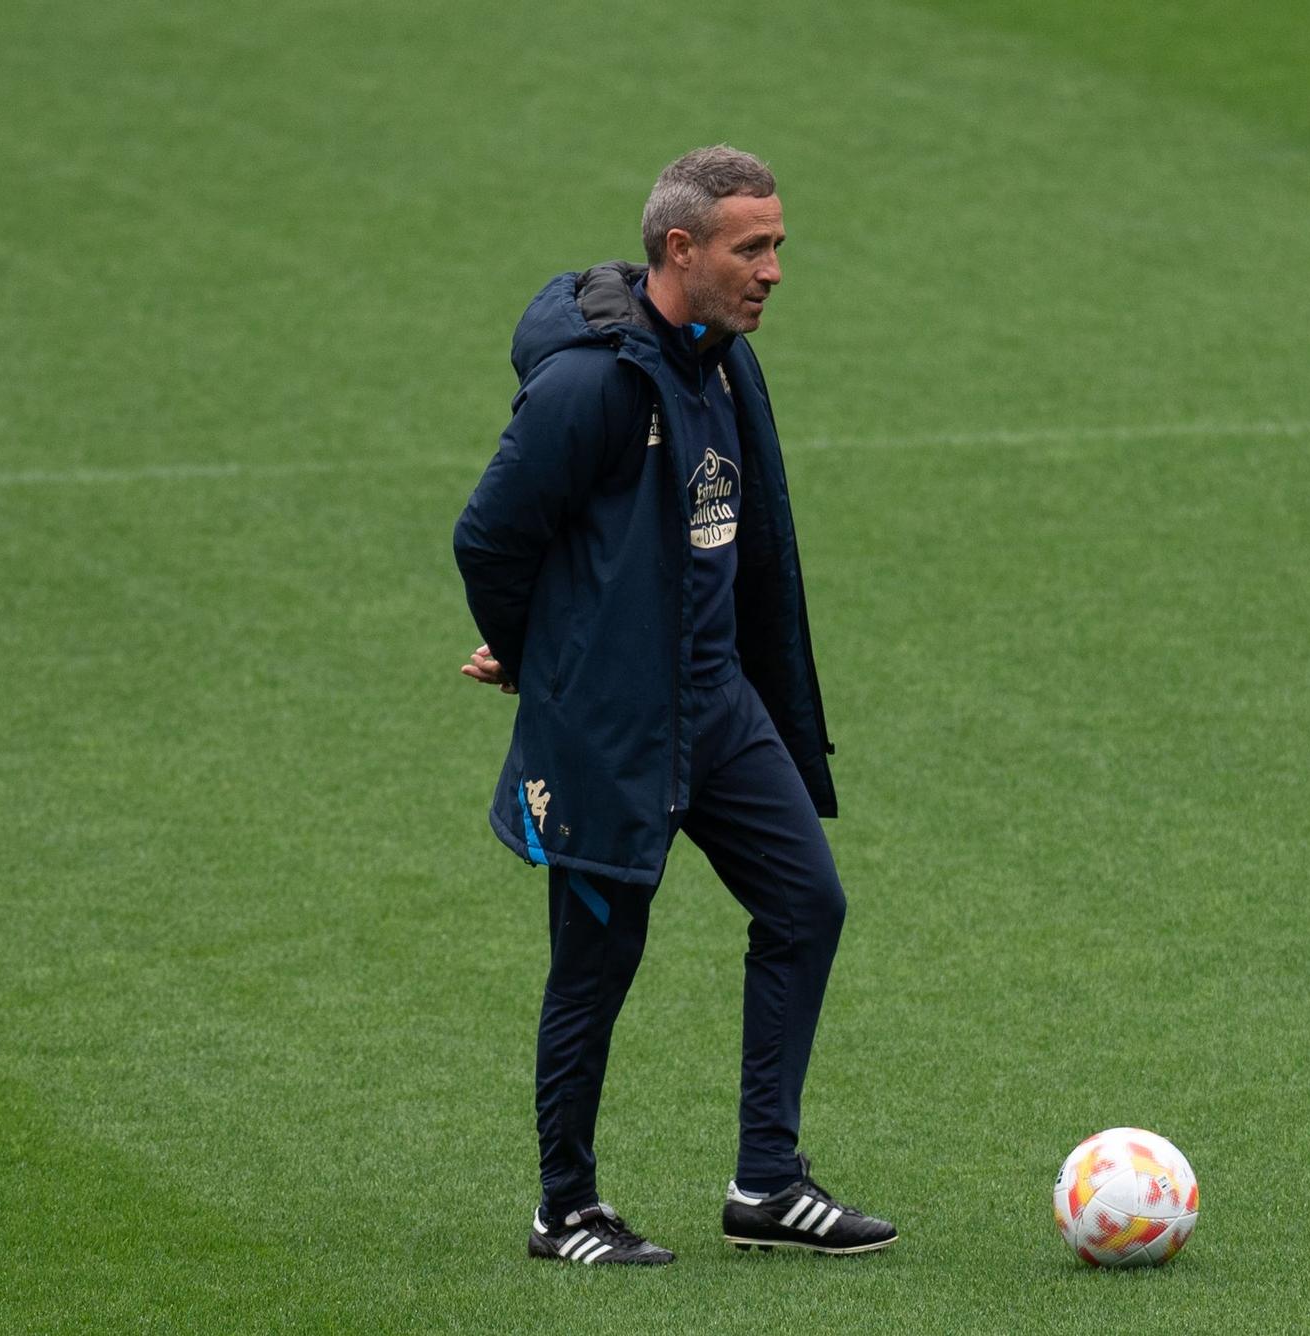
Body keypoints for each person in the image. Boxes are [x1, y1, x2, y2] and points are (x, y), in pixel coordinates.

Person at [453, 146, 897, 1265]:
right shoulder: (589, 387)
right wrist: (531, 654)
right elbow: (489, 534)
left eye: (778, 244)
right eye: (752, 248)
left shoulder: (722, 360)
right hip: (610, 730)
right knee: (596, 967)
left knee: (806, 903)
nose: (774, 270)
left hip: (716, 703)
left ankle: (765, 1182)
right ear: (679, 249)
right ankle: (564, 1208)